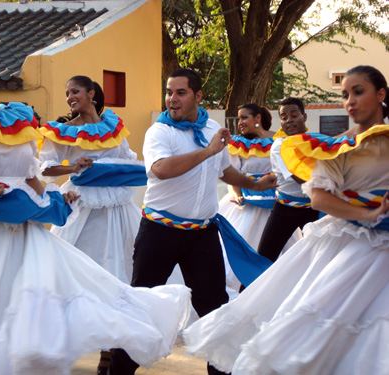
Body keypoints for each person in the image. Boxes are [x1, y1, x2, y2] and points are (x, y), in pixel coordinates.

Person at [0, 52, 191, 374]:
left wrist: (57, 198)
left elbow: (32, 176)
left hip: (20, 234)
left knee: (40, 310)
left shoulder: (17, 119)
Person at [183, 64, 389, 374]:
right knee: (323, 327)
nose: (350, 101)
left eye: (358, 92)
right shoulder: (333, 148)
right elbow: (319, 197)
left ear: (381, 94)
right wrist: (368, 214)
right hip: (354, 244)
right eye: (345, 95)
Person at [110, 68, 277, 375]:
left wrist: (257, 184)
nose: (172, 99)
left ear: (198, 96)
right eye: (169, 92)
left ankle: (221, 371)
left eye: (180, 92)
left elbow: (225, 170)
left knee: (214, 307)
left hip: (202, 234)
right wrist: (207, 150)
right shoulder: (159, 132)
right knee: (142, 306)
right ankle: (117, 370)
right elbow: (160, 169)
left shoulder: (211, 127)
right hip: (160, 232)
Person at [38, 75, 145, 374]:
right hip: (82, 205)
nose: (70, 97)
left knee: (118, 272)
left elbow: (128, 159)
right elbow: (44, 167)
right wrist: (73, 167)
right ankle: (59, 347)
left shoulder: (114, 127)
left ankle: (109, 353)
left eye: (75, 91)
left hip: (117, 207)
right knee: (76, 274)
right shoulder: (62, 131)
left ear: (92, 94)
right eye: (67, 92)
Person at [219, 104, 300, 298]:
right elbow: (232, 173)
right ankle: (244, 291)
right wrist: (237, 194)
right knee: (243, 247)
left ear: (258, 118)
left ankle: (277, 291)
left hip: (274, 202)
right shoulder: (238, 144)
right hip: (246, 204)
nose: (240, 123)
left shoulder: (279, 140)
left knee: (283, 250)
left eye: (244, 118)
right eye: (239, 119)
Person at [256, 97, 319, 262]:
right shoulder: (280, 146)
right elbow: (300, 178)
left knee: (319, 255)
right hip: (286, 209)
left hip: (312, 208)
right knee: (265, 257)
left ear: (304, 117)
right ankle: (249, 288)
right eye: (284, 117)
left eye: (294, 115)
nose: (289, 120)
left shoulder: (314, 142)